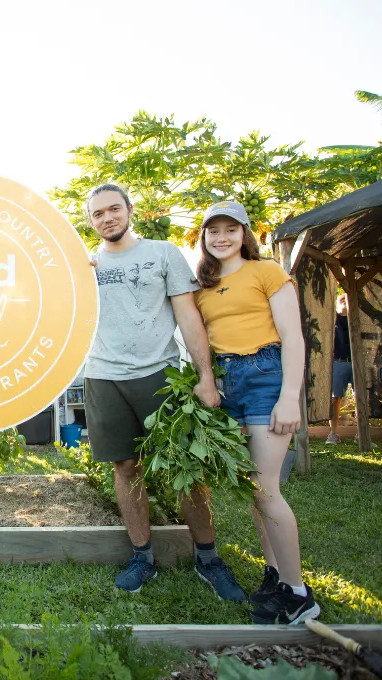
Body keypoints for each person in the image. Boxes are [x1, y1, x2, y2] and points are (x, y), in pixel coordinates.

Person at [83, 184, 245, 601]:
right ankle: (143, 558)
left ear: (130, 210)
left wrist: (205, 375)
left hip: (160, 373)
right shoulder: (85, 265)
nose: (107, 218)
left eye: (114, 209)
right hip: (103, 376)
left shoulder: (163, 253)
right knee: (124, 467)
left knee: (185, 469)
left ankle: (208, 559)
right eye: (98, 214)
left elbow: (188, 314)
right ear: (90, 221)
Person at [195, 200, 320, 624]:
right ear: (204, 237)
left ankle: (299, 593)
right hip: (229, 380)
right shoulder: (203, 284)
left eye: (231, 229)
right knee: (252, 488)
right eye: (214, 231)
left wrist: (290, 396)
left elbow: (293, 337)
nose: (222, 237)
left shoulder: (266, 271)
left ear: (244, 233)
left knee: (265, 488)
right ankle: (275, 576)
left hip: (266, 373)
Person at [327, 294, 353, 444]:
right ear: (337, 304)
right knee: (335, 398)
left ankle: (361, 434)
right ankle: (333, 434)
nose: (345, 303)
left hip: (357, 363)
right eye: (342, 301)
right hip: (338, 362)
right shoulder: (332, 319)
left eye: (347, 300)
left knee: (361, 397)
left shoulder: (357, 319)